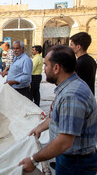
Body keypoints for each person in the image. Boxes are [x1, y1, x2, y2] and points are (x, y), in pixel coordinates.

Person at [19, 45, 97, 174]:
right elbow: (56, 117)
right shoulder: (68, 86)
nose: (44, 69)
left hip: (75, 163)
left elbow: (64, 142)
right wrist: (40, 127)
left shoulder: (72, 96)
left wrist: (33, 160)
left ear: (56, 68)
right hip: (68, 158)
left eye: (46, 65)